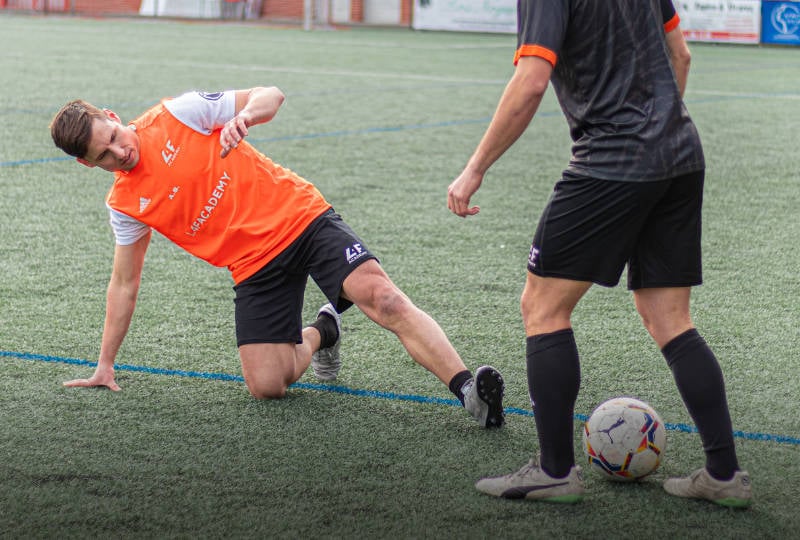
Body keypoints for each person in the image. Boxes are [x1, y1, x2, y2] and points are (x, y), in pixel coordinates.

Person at [49, 86, 505, 429]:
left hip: (300, 217)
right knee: (266, 385)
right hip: (253, 267)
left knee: (382, 298)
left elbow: (271, 94)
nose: (120, 152)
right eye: (104, 156)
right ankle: (324, 331)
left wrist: (245, 115)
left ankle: (469, 390)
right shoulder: (124, 205)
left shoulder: (176, 114)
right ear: (88, 164)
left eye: (114, 136)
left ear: (113, 117)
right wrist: (105, 364)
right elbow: (124, 283)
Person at [447, 0, 751, 505]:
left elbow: (531, 81)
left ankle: (554, 471)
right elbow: (681, 55)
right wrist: (656, 132)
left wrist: (474, 168)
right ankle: (724, 474)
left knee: (542, 307)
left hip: (612, 159)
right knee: (669, 317)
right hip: (679, 151)